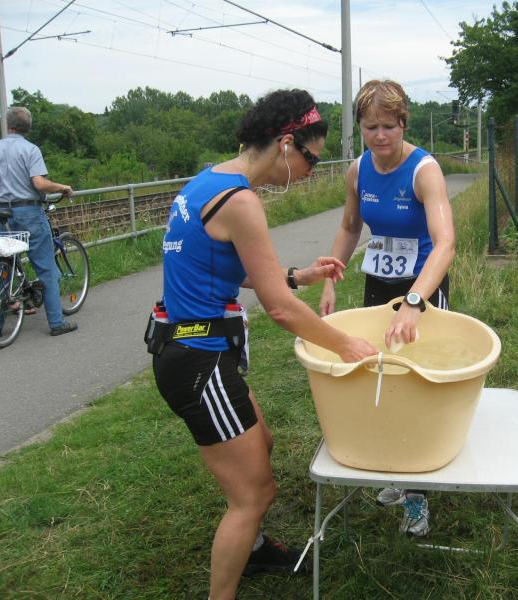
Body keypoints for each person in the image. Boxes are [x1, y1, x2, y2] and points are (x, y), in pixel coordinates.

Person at [149, 89, 377, 600]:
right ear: (286, 142)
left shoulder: (207, 182)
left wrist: (298, 276)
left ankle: (250, 548)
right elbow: (279, 310)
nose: (310, 172)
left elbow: (228, 267)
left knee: (263, 445)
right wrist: (344, 344)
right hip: (198, 364)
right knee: (253, 494)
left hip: (192, 353)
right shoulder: (242, 202)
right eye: (311, 159)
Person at [319, 79, 456, 537]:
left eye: (388, 127)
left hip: (422, 286)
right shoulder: (358, 170)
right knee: (379, 370)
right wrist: (331, 276)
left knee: (417, 379)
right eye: (370, 127)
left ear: (403, 124)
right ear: (360, 127)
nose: (379, 136)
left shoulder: (425, 171)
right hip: (379, 281)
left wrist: (416, 301)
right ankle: (396, 467)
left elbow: (445, 244)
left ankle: (419, 493)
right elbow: (349, 226)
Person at [0, 106, 77, 335]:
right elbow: (39, 184)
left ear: (8, 125)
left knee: (3, 267)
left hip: (1, 214)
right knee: (45, 267)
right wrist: (62, 187)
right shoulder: (30, 150)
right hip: (28, 213)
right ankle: (57, 323)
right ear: (28, 127)